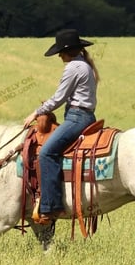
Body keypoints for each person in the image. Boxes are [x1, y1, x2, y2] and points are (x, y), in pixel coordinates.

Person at [23, 29, 100, 225]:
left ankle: (50, 207)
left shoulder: (73, 67)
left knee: (46, 153)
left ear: (67, 51)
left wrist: (37, 112)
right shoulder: (84, 65)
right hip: (87, 116)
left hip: (76, 118)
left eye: (60, 52)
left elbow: (59, 98)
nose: (58, 55)